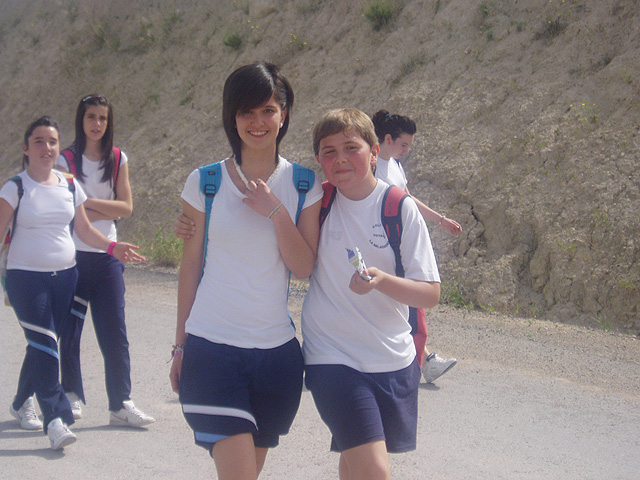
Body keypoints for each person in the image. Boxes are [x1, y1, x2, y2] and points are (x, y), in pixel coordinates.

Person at [169, 62, 322, 480]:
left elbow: (303, 267)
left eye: (268, 110)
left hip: (276, 357)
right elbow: (190, 268)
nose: (258, 122)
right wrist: (180, 346)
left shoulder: (304, 184)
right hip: (211, 350)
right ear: (231, 116)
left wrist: (276, 212)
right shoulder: (205, 182)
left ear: (284, 114)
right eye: (246, 112)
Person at [302, 108, 441, 480]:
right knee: (374, 470)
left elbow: (430, 294)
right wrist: (196, 223)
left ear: (375, 152)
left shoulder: (398, 207)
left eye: (351, 147)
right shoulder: (316, 203)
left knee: (355, 464)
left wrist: (381, 281)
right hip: (331, 357)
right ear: (318, 159)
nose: (340, 159)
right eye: (329, 151)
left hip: (391, 358)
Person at [0, 116, 144, 450]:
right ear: (25, 148)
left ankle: (21, 401)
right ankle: (56, 419)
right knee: (44, 343)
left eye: (52, 141)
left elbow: (83, 229)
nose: (46, 148)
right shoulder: (15, 187)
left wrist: (112, 247)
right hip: (26, 279)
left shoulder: (68, 184)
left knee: (44, 342)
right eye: (38, 141)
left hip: (66, 277)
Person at [55, 94, 154, 427]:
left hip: (108, 255)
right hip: (71, 256)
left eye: (102, 118)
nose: (97, 124)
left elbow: (126, 207)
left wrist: (86, 204)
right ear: (80, 120)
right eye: (91, 117)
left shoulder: (118, 158)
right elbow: (67, 210)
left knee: (115, 332)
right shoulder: (65, 160)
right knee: (70, 331)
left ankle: (121, 404)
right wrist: (101, 208)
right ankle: (71, 394)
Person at [371, 110, 458, 384]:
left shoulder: (395, 165)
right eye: (404, 144)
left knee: (403, 313)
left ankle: (424, 363)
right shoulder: (373, 167)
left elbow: (408, 200)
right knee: (412, 316)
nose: (406, 150)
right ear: (387, 139)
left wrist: (440, 220)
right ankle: (411, 373)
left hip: (404, 245)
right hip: (387, 248)